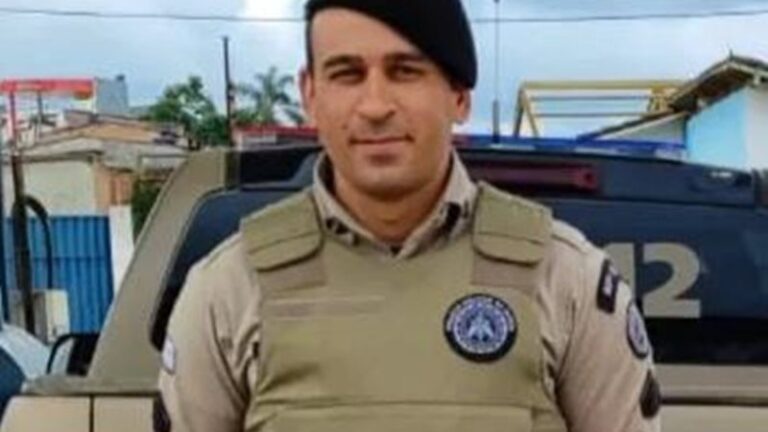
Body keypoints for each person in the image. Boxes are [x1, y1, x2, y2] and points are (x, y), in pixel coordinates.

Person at [156, 0, 661, 431]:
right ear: (310, 94)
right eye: (347, 74)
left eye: (404, 71)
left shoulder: (566, 279)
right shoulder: (229, 288)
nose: (375, 105)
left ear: (458, 95)